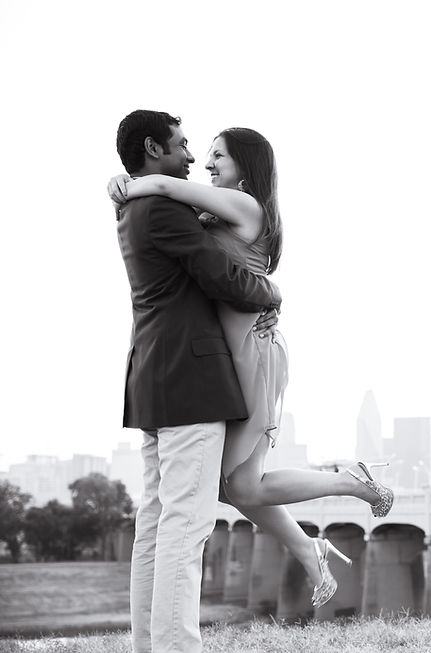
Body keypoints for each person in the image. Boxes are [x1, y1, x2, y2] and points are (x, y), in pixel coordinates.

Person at [108, 126, 394, 614]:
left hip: (253, 352)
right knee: (236, 485)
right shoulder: (217, 208)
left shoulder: (247, 206)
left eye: (218, 155)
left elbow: (164, 186)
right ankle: (313, 541)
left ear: (246, 164)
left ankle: (348, 485)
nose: (207, 162)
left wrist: (124, 182)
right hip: (230, 352)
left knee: (239, 483)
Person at [114, 110, 283, 653]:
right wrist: (271, 294)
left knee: (158, 524)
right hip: (190, 378)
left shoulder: (131, 206)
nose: (191, 157)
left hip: (154, 378)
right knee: (186, 532)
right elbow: (218, 273)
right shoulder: (161, 205)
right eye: (183, 145)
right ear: (152, 148)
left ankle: (151, 645)